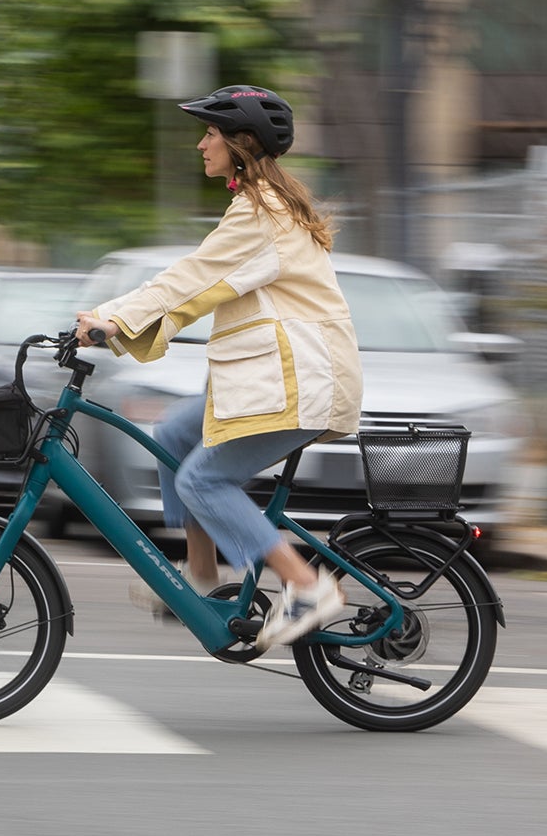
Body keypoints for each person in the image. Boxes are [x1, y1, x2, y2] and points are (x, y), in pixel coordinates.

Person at [75, 85, 362, 650]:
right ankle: (202, 575)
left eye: (210, 133)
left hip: (300, 381)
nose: (200, 144)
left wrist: (112, 317)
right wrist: (115, 321)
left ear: (242, 143)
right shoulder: (258, 207)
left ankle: (307, 585)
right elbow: (198, 290)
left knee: (203, 480)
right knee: (177, 431)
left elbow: (193, 276)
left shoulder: (262, 213)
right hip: (284, 377)